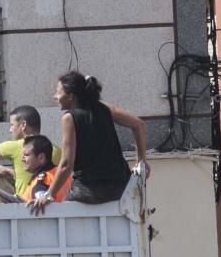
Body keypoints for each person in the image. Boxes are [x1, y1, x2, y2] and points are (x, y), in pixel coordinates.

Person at [31, 71, 149, 215]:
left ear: (70, 96)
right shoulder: (104, 108)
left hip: (88, 191)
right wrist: (141, 162)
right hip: (121, 187)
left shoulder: (69, 118)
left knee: (61, 219)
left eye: (58, 92)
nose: (55, 97)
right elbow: (139, 125)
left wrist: (49, 194)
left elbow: (67, 164)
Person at [21, 135, 71, 205]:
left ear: (41, 158)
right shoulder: (64, 175)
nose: (22, 159)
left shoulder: (43, 179)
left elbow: (41, 204)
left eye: (26, 155)